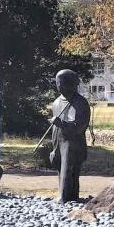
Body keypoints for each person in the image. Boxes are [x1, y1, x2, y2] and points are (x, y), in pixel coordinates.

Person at [49, 69, 91, 201]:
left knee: (69, 169)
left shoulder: (80, 103)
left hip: (73, 144)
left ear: (71, 83)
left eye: (61, 82)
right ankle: (65, 195)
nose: (58, 85)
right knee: (60, 167)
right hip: (58, 142)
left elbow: (79, 126)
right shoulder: (56, 102)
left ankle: (66, 197)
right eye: (57, 82)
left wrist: (62, 124)